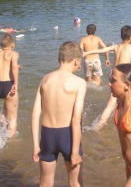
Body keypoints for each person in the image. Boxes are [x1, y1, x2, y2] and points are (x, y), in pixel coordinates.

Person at [31, 41, 86, 187]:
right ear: (76, 61)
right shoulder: (79, 82)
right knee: (75, 183)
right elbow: (76, 119)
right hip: (67, 135)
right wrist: (75, 151)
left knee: (45, 182)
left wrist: (36, 145)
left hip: (47, 135)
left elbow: (35, 114)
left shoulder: (45, 79)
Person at [83, 25, 131, 130]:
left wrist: (86, 52)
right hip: (121, 76)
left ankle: (120, 118)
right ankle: (98, 127)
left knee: (120, 100)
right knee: (112, 103)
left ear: (121, 37)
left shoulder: (116, 46)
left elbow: (102, 51)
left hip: (113, 74)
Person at [0, 34, 20, 138]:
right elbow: (13, 66)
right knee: (13, 119)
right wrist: (16, 83)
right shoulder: (14, 53)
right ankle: (10, 143)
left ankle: (0, 123)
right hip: (8, 85)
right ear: (12, 45)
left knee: (6, 107)